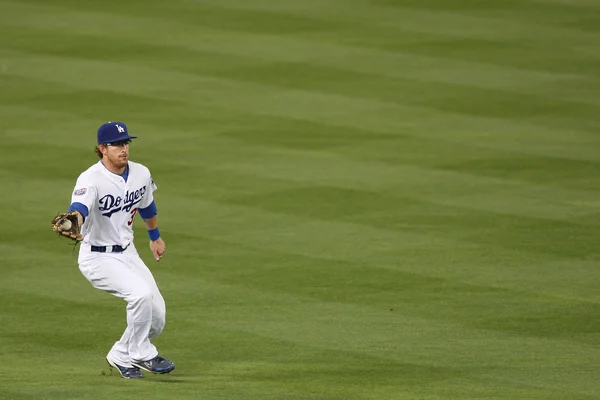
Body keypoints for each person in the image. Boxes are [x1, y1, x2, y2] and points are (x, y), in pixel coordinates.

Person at [65, 121, 175, 379]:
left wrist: (155, 237)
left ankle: (120, 354)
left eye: (126, 143)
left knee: (156, 317)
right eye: (117, 144)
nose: (124, 148)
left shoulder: (141, 173)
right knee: (140, 295)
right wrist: (74, 221)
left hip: (127, 252)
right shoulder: (90, 179)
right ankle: (141, 355)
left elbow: (147, 206)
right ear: (103, 148)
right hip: (97, 257)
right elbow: (79, 208)